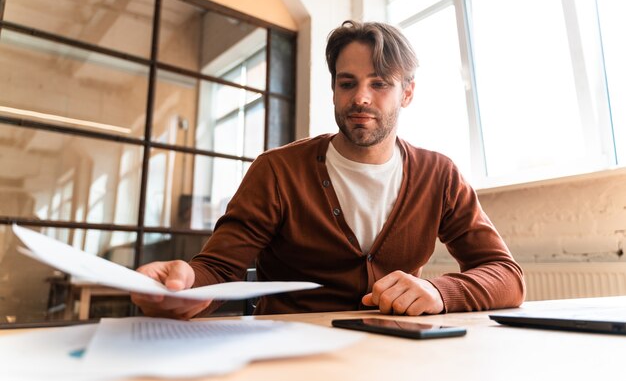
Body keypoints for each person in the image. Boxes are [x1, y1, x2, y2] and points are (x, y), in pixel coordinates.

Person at [131, 20, 525, 319]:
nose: (361, 98)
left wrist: (440, 293)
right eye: (347, 83)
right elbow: (218, 269)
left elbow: (506, 275)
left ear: (407, 93)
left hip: (395, 355)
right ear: (334, 89)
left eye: (380, 84)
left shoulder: (439, 175)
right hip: (289, 353)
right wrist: (182, 286)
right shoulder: (277, 171)